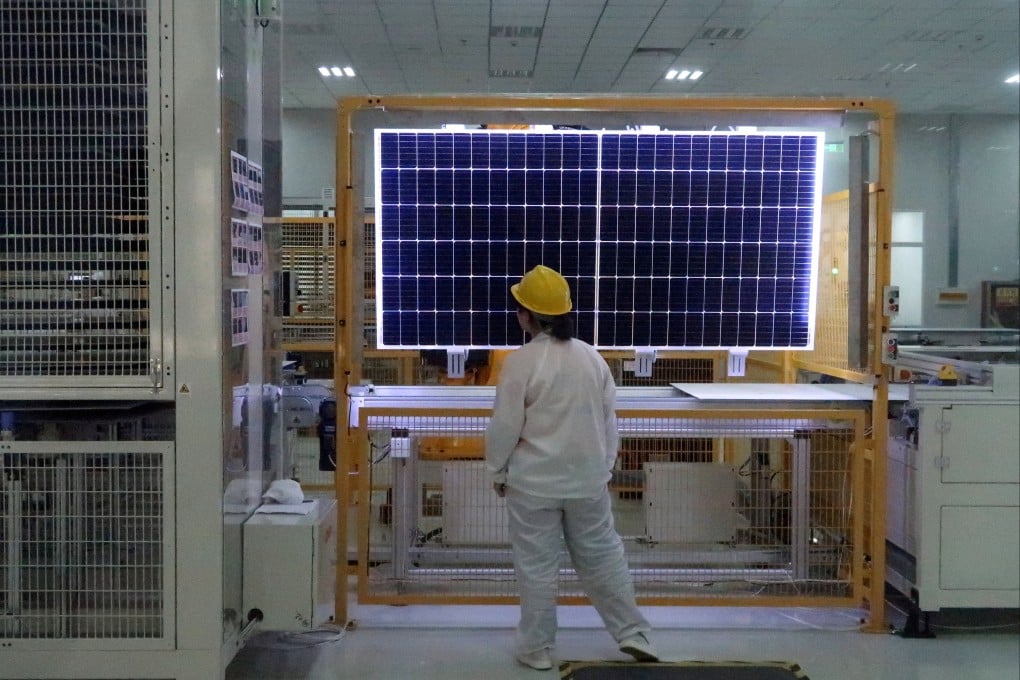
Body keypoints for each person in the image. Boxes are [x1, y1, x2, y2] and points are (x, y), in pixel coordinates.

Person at [484, 265, 658, 671]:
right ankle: (633, 633)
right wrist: (604, 469)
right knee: (604, 559)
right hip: (588, 484)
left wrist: (496, 471)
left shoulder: (521, 363)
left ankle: (537, 650)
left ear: (526, 315)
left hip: (533, 486)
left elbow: (505, 426)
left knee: (538, 568)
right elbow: (608, 420)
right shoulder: (591, 358)